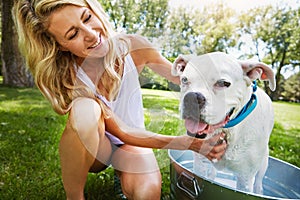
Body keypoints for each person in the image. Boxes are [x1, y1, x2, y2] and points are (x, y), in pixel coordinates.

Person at [13, 0, 227, 199]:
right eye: (72, 34)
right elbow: (121, 131)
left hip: (133, 146)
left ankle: (123, 174)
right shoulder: (70, 76)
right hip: (96, 148)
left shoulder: (134, 47)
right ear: (60, 45)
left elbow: (184, 79)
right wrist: (189, 143)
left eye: (87, 18)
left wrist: (226, 83)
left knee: (147, 193)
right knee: (86, 110)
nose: (90, 34)